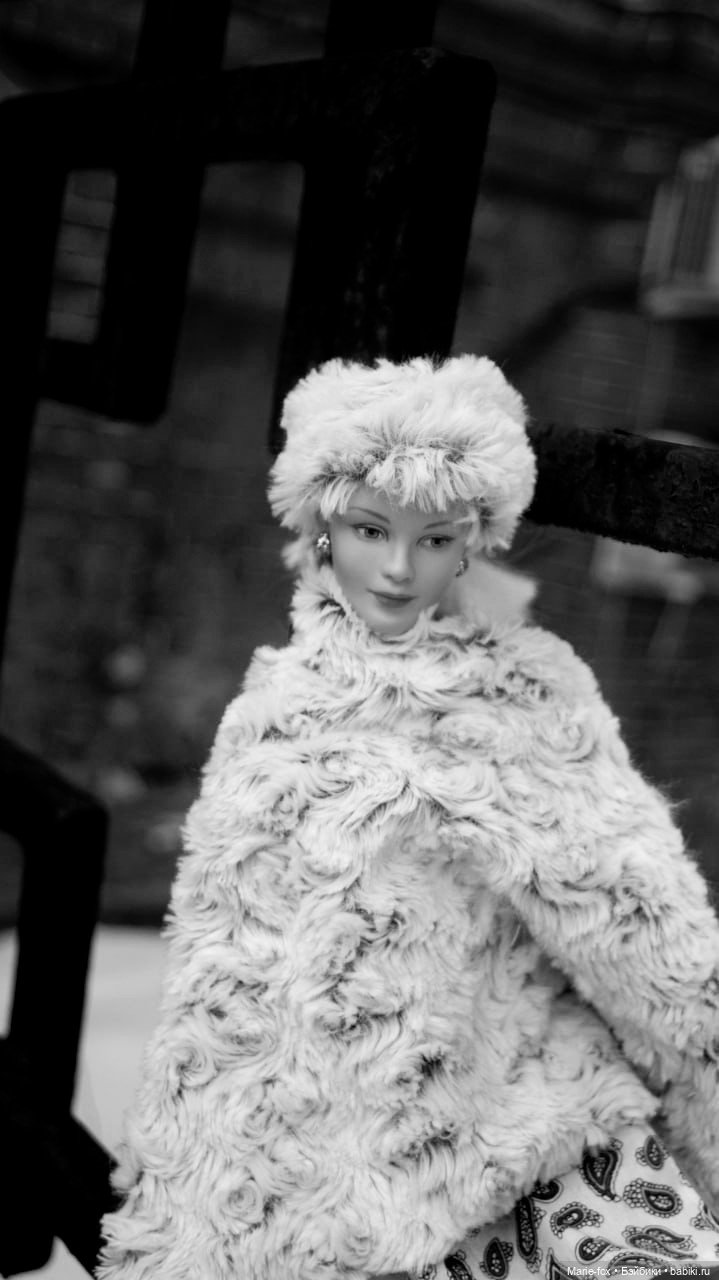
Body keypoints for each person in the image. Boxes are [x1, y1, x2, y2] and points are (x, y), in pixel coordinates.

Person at [97, 355, 719, 1280]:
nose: (396, 568)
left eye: (433, 539)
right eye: (369, 529)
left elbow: (642, 929)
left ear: (469, 544)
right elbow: (223, 983)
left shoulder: (514, 695)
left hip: (493, 1144)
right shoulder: (275, 702)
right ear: (320, 526)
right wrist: (198, 1183)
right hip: (286, 1176)